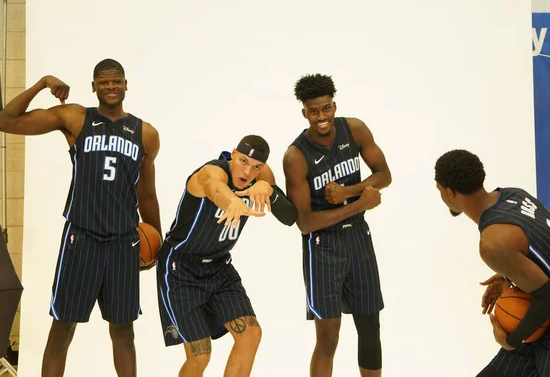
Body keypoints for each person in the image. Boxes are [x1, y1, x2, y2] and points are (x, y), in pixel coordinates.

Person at [0, 59, 161, 377]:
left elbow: (147, 195)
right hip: (81, 238)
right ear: (94, 86)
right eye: (103, 82)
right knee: (62, 329)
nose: (110, 86)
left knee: (123, 331)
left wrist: (158, 239)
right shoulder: (75, 117)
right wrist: (42, 83)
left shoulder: (146, 134)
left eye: (116, 81)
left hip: (123, 241)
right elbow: (6, 120)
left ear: (126, 84)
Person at [434, 149, 550, 377]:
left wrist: (511, 340)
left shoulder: (491, 244)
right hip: (543, 311)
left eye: (439, 190)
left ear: (450, 193)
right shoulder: (513, 195)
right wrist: (509, 275)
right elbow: (545, 247)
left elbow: (549, 296)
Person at [157, 134, 297, 377]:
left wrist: (269, 190)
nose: (247, 171)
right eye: (243, 161)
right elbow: (215, 188)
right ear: (233, 154)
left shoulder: (261, 177)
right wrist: (232, 201)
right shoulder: (211, 172)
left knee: (250, 334)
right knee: (200, 355)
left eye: (256, 167)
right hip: (180, 266)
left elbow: (289, 217)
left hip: (220, 266)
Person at [283, 73, 392, 377]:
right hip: (322, 248)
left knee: (370, 326)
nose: (322, 117)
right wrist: (359, 205)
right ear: (304, 112)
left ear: (334, 106)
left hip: (358, 238)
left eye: (326, 109)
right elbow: (305, 223)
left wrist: (348, 192)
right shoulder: (295, 156)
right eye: (314, 111)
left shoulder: (354, 129)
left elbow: (383, 174)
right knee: (328, 336)